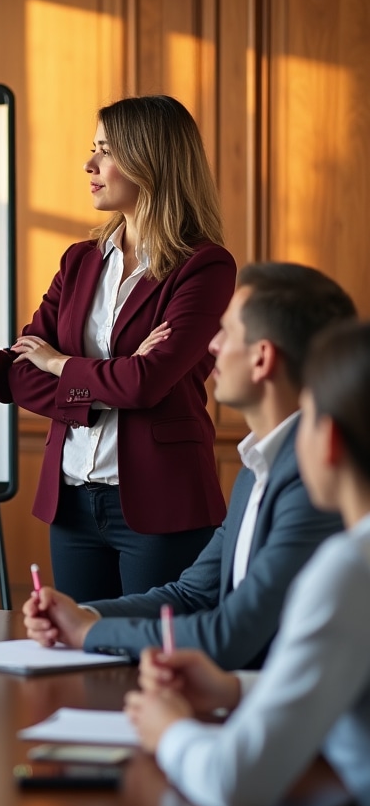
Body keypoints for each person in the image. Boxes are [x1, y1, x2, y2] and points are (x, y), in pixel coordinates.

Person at [0, 94, 236, 598]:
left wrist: (59, 363)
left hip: (162, 507)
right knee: (76, 644)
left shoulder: (204, 267)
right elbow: (16, 376)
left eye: (106, 151)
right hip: (72, 508)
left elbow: (147, 384)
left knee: (149, 646)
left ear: (150, 160)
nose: (89, 165)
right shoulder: (80, 262)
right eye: (94, 149)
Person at [23, 263, 354, 668]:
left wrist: (88, 632)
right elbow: (191, 595)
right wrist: (83, 615)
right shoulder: (255, 469)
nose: (212, 345)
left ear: (262, 358)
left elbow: (229, 635)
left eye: (227, 331)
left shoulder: (313, 483)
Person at [125, 319, 370, 806]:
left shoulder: (349, 568)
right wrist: (234, 689)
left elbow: (236, 782)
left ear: (328, 440)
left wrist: (168, 730)